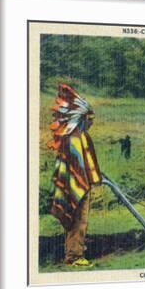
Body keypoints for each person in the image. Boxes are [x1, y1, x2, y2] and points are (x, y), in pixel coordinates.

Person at [47, 83, 101, 266]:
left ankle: (76, 252)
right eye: (89, 119)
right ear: (81, 119)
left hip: (80, 185)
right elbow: (76, 167)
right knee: (77, 220)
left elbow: (87, 162)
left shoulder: (81, 136)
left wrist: (94, 177)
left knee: (78, 221)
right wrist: (85, 181)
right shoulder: (74, 138)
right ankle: (74, 257)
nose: (91, 122)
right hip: (76, 186)